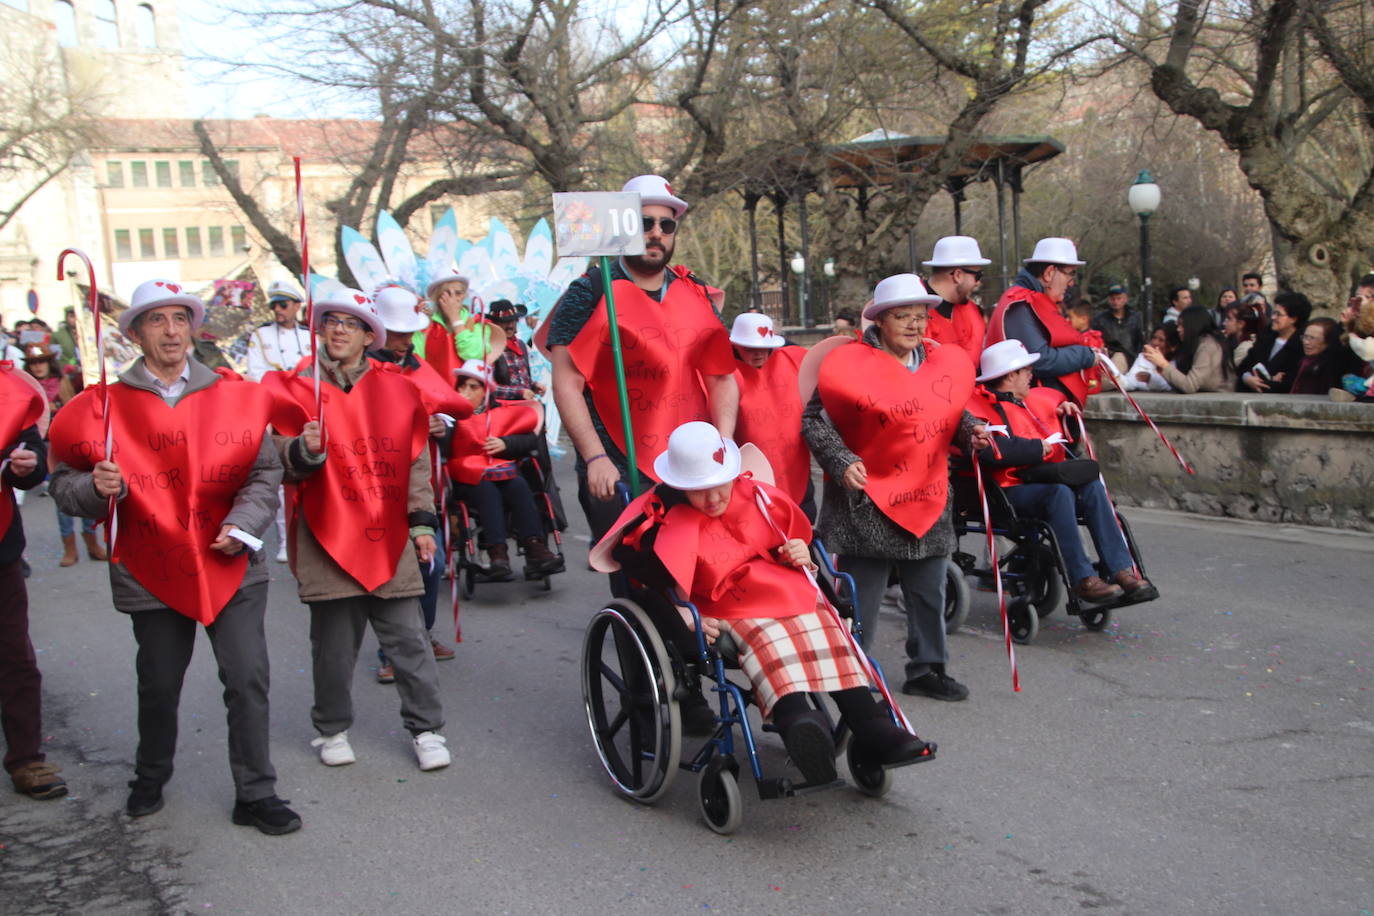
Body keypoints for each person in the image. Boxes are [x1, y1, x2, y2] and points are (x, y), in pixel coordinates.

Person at [48, 279, 298, 834]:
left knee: (247, 677)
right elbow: (63, 483)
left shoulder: (231, 393)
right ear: (135, 332)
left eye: (179, 319)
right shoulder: (105, 405)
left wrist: (244, 524)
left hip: (231, 561)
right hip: (150, 567)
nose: (170, 331)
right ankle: (150, 776)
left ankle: (256, 793)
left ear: (192, 328)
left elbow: (264, 473)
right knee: (159, 681)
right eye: (156, 320)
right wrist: (96, 486)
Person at [597, 421, 936, 785]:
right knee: (765, 639)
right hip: (726, 605)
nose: (713, 499)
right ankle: (799, 722)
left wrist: (800, 551)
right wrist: (680, 612)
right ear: (681, 486)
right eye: (699, 491)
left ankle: (873, 726)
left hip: (784, 587)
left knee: (827, 629)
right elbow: (640, 574)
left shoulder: (757, 495)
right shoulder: (659, 517)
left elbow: (793, 535)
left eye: (719, 486)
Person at [263, 288, 451, 773]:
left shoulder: (396, 389)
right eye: (331, 321)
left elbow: (413, 464)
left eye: (352, 323)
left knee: (409, 640)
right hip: (327, 535)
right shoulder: (295, 388)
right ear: (320, 330)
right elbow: (274, 459)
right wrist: (300, 450)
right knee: (333, 648)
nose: (340, 329)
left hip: (389, 534)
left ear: (370, 335)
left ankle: (427, 728)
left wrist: (421, 524)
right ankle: (331, 728)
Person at [802, 274, 990, 702]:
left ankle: (927, 668)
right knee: (860, 598)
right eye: (903, 316)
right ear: (880, 320)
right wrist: (841, 460)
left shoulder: (938, 361)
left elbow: (948, 411)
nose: (914, 325)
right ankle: (852, 675)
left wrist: (970, 432)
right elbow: (815, 420)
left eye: (920, 317)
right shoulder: (848, 363)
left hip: (927, 492)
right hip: (866, 500)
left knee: (928, 590)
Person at [547, 174, 738, 544]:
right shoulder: (589, 290)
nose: (656, 233)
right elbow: (566, 382)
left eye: (666, 224)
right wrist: (594, 458)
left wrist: (725, 443)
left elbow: (722, 376)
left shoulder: (694, 291)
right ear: (622, 227)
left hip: (691, 465)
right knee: (639, 577)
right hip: (617, 466)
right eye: (643, 222)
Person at [965, 340, 1157, 604]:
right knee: (1058, 493)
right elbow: (993, 451)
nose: (1032, 374)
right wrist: (1037, 448)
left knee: (1091, 486)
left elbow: (1064, 447)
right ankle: (1082, 578)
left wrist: (1067, 421)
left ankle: (1121, 569)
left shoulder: (1032, 402)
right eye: (1026, 370)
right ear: (1011, 376)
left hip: (1040, 479)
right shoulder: (981, 409)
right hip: (1005, 490)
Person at [366, 285, 477, 677]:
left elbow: (448, 408)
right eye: (394, 331)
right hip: (375, 485)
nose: (401, 339)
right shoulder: (363, 369)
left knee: (432, 561)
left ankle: (423, 633)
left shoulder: (417, 364)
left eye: (406, 331)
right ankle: (390, 651)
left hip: (421, 481)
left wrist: (438, 425)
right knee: (392, 565)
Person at [1, 361, 67, 800]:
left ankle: (26, 759)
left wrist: (26, 464)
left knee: (13, 654)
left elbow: (31, 451)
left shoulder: (8, 388)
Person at [446, 359, 563, 581]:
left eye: (473, 387)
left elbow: (529, 439)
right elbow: (443, 450)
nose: (466, 392)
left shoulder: (501, 412)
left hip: (502, 470)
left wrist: (506, 444)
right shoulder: (450, 416)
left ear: (485, 391)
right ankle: (497, 552)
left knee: (519, 485)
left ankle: (534, 546)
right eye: (462, 386)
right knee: (487, 489)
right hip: (467, 479)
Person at [985, 237, 1102, 407]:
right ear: (1049, 273)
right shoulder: (1021, 303)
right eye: (1070, 274)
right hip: (1029, 408)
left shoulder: (1031, 300)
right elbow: (1040, 360)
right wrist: (1086, 355)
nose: (1071, 283)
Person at [246, 280, 312, 561]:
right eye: (274, 305)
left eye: (283, 304)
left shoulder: (312, 336)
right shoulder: (261, 336)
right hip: (278, 408)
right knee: (282, 475)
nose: (278, 310)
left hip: (307, 408)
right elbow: (255, 372)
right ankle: (286, 540)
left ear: (297, 306)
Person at [22, 341, 103, 567]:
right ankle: (70, 548)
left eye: (42, 362)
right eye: (34, 363)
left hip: (69, 444)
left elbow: (78, 407)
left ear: (49, 363)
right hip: (44, 446)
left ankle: (92, 542)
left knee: (87, 489)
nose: (38, 367)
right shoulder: (26, 387)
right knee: (60, 495)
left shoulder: (63, 382)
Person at [727, 312, 814, 518]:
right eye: (749, 349)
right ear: (736, 346)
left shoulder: (793, 361)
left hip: (797, 469)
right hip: (751, 478)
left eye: (764, 348)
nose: (758, 354)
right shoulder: (725, 376)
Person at [418, 269, 496, 384]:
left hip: (468, 394)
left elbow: (473, 355)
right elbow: (418, 364)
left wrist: (455, 318)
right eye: (447, 294)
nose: (453, 299)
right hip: (436, 393)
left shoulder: (477, 323)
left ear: (464, 295)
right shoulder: (425, 326)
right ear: (437, 297)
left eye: (458, 293)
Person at [923, 235, 990, 368]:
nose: (978, 283)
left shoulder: (974, 312)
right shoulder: (910, 312)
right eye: (977, 276)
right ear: (958, 275)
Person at [1145, 304, 1232, 393]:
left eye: (1182, 325)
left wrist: (1163, 364)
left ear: (1192, 325)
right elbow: (1181, 385)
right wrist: (1160, 366)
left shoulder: (1208, 346)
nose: (1178, 329)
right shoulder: (1192, 345)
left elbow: (1189, 385)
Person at [1237, 291, 1311, 393]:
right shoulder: (1266, 338)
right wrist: (1247, 378)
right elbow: (1244, 366)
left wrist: (1267, 382)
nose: (1273, 317)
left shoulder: (1301, 346)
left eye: (1278, 314)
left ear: (1293, 319)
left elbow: (1289, 383)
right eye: (1273, 313)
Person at [1092, 284, 1144, 373]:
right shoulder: (1100, 320)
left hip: (1133, 359)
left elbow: (1141, 341)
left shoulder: (1136, 318)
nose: (1115, 302)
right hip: (1111, 360)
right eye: (1112, 299)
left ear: (1125, 299)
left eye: (1119, 298)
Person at [1287, 317, 1345, 395]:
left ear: (1327, 341)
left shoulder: (1329, 366)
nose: (1306, 342)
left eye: (1312, 338)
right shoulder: (1302, 361)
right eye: (1305, 337)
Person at [1123, 324, 1181, 392]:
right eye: (1154, 338)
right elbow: (1131, 380)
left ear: (1173, 347)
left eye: (1161, 340)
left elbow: (1171, 386)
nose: (1155, 342)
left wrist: (1151, 379)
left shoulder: (1177, 363)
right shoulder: (1143, 358)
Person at [1221, 301, 1263, 371]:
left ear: (1241, 324)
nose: (1224, 323)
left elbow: (1226, 371)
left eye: (1229, 319)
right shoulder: (1238, 342)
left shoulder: (1245, 348)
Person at [50, 307, 80, 371]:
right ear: (66, 318)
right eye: (72, 316)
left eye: (77, 316)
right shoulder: (57, 335)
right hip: (69, 372)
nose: (75, 319)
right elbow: (55, 358)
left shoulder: (90, 332)